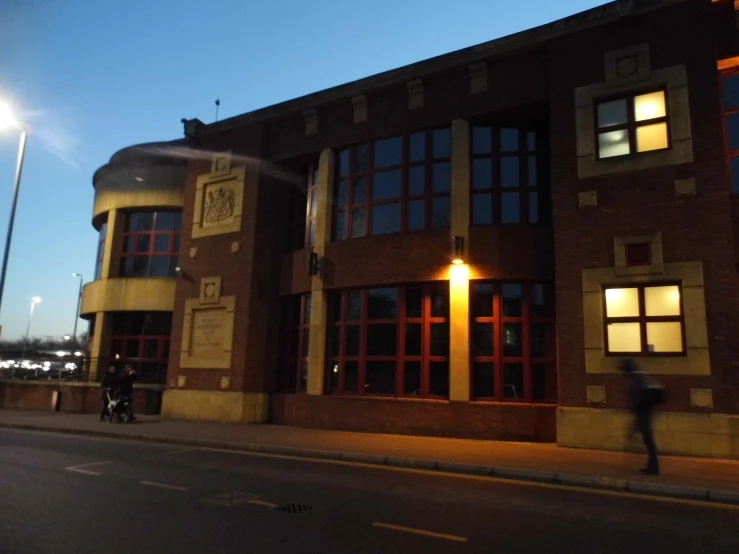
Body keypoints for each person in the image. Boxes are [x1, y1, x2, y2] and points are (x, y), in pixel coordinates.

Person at [621, 358, 665, 475]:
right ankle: (652, 465)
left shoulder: (635, 379)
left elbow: (635, 396)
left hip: (643, 411)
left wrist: (633, 407)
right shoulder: (644, 376)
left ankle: (653, 467)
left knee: (648, 439)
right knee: (647, 438)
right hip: (648, 410)